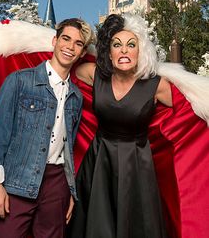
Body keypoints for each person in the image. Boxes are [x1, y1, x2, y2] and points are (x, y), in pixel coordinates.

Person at [0, 17, 94, 238]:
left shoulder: (76, 97)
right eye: (66, 39)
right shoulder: (19, 81)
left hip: (56, 185)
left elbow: (67, 150)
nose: (70, 47)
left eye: (78, 43)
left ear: (82, 51)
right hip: (16, 180)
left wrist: (68, 191)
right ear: (54, 41)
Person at [68, 13, 178, 238]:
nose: (124, 50)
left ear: (141, 51)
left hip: (137, 166)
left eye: (131, 45)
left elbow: (187, 109)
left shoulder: (158, 86)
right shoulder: (92, 74)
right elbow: (66, 66)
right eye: (117, 45)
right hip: (99, 162)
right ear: (109, 52)